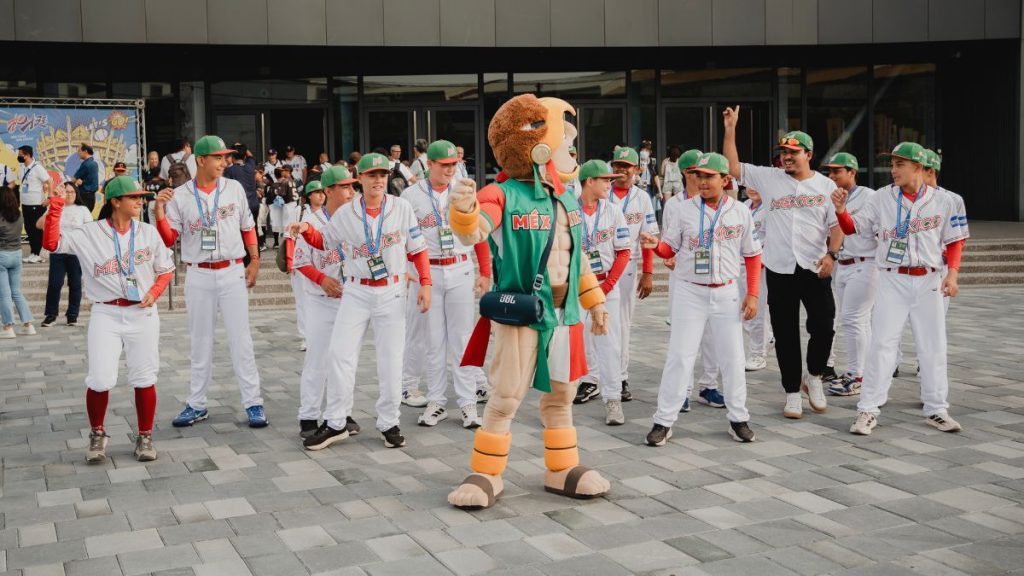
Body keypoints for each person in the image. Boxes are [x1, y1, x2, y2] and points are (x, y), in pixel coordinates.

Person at [288, 152, 431, 450]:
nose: (378, 180)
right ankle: (336, 422)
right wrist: (307, 230)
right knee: (339, 355)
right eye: (372, 175)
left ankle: (389, 422)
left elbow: (417, 249)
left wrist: (426, 283)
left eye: (382, 174)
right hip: (356, 289)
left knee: (391, 359)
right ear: (360, 178)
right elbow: (324, 241)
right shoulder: (347, 213)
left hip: (391, 290)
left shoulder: (401, 207)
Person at [832, 142, 966, 435]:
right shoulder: (882, 197)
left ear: (918, 167)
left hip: (929, 278)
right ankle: (868, 409)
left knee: (933, 346)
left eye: (899, 164)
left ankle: (936, 408)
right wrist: (841, 210)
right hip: (892, 278)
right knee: (882, 345)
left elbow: (955, 240)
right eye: (892, 164)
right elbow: (853, 228)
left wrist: (953, 275)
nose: (893, 170)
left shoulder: (945, 200)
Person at [42, 176, 175, 462]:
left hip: (142, 313)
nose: (140, 201)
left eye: (141, 197)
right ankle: (97, 433)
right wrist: (56, 204)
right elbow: (51, 243)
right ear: (115, 202)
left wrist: (154, 292)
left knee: (144, 376)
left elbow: (166, 269)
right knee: (100, 379)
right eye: (134, 197)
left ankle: (145, 436)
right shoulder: (90, 232)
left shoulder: (148, 232)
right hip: (106, 312)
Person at [722, 107, 842, 420]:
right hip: (779, 269)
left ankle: (813, 376)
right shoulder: (769, 178)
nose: (786, 157)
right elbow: (733, 167)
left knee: (824, 325)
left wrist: (832, 255)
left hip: (814, 267)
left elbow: (836, 225)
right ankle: (791, 392)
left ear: (809, 155)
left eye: (793, 152)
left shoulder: (826, 187)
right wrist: (731, 129)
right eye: (783, 153)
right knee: (785, 332)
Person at [641, 152, 762, 445]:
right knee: (680, 356)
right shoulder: (683, 209)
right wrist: (656, 245)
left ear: (726, 179)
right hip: (690, 290)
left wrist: (753, 294)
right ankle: (664, 420)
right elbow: (669, 249)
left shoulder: (740, 211)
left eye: (709, 176)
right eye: (699, 176)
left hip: (726, 291)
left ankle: (738, 418)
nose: (702, 181)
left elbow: (752, 254)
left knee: (733, 358)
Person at [153, 135, 267, 428]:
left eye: (225, 157)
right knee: (200, 341)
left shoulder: (233, 188)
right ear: (201, 160)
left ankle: (253, 402)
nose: (224, 162)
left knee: (241, 339)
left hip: (232, 270)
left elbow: (248, 227)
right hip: (199, 273)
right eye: (217, 157)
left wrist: (254, 260)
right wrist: (159, 211)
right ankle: (197, 403)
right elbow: (169, 239)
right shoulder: (180, 195)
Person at [400, 140, 492, 429]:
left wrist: (484, 271)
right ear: (429, 164)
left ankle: (467, 403)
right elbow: (402, 238)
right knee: (434, 340)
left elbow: (477, 232)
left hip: (460, 267)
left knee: (462, 339)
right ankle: (437, 402)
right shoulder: (410, 195)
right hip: (428, 273)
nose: (450, 169)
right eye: (444, 165)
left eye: (454, 164)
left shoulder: (464, 191)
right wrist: (406, 269)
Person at [292, 166, 358, 439]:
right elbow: (299, 261)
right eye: (345, 187)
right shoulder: (312, 221)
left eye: (352, 186)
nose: (351, 192)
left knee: (345, 360)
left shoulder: (355, 218)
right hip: (321, 299)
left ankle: (342, 412)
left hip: (350, 297)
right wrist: (321, 279)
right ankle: (308, 415)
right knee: (317, 358)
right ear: (328, 191)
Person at [665, 149, 730, 411]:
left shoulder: (722, 203)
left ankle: (709, 385)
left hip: (714, 277)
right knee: (684, 338)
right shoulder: (675, 204)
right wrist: (667, 255)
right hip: (686, 279)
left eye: (705, 174)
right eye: (695, 172)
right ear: (685, 173)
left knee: (712, 336)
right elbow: (670, 241)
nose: (700, 178)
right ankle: (683, 390)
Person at [572, 160, 632, 425]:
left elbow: (624, 252)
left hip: (605, 283)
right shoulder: (567, 209)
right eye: (605, 180)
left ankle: (613, 400)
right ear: (589, 181)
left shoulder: (613, 210)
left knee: (609, 343)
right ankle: (561, 401)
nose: (610, 184)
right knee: (570, 342)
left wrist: (606, 287)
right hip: (576, 286)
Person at [819, 153, 877, 396]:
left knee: (854, 319)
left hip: (865, 262)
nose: (832, 175)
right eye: (830, 171)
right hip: (842, 263)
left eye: (837, 171)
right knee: (855, 321)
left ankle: (857, 375)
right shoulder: (829, 196)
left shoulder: (868, 196)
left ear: (852, 172)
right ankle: (865, 373)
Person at [607, 146, 658, 402]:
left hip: (628, 266)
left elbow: (648, 237)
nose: (621, 170)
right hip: (601, 265)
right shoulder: (602, 192)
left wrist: (648, 272)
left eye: (626, 166)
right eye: (617, 165)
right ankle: (593, 378)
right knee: (594, 322)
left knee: (622, 323)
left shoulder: (642, 197)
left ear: (636, 169)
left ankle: (621, 376)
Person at [37, 182, 91, 327]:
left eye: (72, 192)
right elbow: (39, 225)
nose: (69, 194)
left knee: (75, 284)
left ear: (76, 193)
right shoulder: (56, 206)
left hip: (76, 253)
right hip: (58, 251)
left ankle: (72, 316)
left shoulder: (82, 210)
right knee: (54, 284)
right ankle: (51, 315)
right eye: (66, 191)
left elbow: (89, 230)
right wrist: (51, 208)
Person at [742, 186, 773, 372]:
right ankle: (767, 338)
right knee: (743, 313)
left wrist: (762, 260)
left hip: (759, 266)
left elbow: (773, 238)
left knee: (757, 312)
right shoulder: (743, 206)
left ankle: (758, 354)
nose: (752, 189)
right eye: (749, 185)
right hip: (739, 264)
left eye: (757, 185)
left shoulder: (770, 207)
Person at [0, 185, 35, 338]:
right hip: (16, 254)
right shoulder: (19, 214)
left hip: (2, 255)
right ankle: (28, 325)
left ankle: (8, 327)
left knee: (4, 293)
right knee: (16, 291)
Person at [16, 145, 52, 263]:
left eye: (20, 154)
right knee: (29, 229)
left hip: (36, 204)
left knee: (36, 229)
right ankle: (34, 252)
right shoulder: (22, 167)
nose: (18, 156)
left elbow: (49, 181)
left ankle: (39, 254)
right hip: (25, 204)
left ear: (27, 155)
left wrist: (50, 198)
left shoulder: (37, 168)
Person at [266, 166, 298, 249]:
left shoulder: (277, 184)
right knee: (290, 224)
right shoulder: (292, 180)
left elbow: (276, 195)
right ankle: (291, 242)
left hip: (284, 205)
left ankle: (284, 243)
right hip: (293, 204)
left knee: (281, 225)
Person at [72, 143, 100, 210]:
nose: (78, 153)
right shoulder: (94, 163)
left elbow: (73, 179)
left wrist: (74, 182)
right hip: (91, 197)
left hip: (84, 197)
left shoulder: (86, 164)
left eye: (79, 151)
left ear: (85, 151)